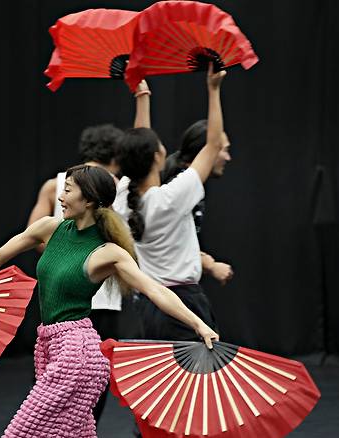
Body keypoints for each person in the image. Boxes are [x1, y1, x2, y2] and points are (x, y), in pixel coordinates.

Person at [0, 164, 219, 438]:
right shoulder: (49, 228)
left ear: (88, 200)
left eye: (68, 189)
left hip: (77, 354)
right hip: (49, 346)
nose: (60, 196)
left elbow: (154, 290)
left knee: (20, 433)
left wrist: (198, 324)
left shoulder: (108, 252)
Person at [113, 64, 226, 340]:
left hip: (149, 303)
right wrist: (213, 90)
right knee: (195, 381)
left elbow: (140, 143)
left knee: (163, 380)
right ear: (157, 157)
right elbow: (212, 146)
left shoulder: (122, 196)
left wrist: (142, 96)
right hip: (184, 302)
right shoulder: (170, 199)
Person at [27, 124, 124, 423]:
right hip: (101, 300)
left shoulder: (53, 184)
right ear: (116, 155)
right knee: (79, 401)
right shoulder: (118, 185)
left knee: (63, 401)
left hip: (69, 307)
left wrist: (65, 263)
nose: (63, 196)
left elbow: (36, 239)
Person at [161, 119, 234, 288]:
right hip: (170, 290)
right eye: (224, 150)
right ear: (207, 151)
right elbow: (171, 244)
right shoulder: (181, 189)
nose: (228, 157)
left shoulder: (188, 186)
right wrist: (209, 264)